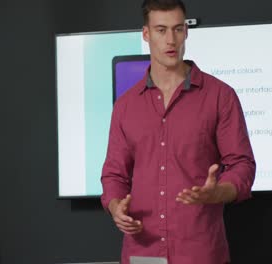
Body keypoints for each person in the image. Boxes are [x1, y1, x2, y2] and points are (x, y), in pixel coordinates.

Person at [100, 1, 256, 263]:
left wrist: (219, 192)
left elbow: (243, 165)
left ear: (186, 31)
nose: (171, 40)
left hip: (201, 252)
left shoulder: (220, 96)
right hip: (142, 251)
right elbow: (114, 174)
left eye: (177, 29)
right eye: (161, 30)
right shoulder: (125, 106)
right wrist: (116, 207)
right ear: (146, 34)